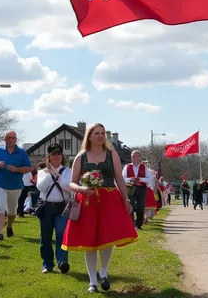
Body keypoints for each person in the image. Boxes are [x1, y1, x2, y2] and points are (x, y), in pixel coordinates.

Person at [62, 123, 138, 293]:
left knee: (107, 237)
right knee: (89, 241)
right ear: (89, 136)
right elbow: (72, 182)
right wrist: (82, 188)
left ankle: (103, 272)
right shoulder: (81, 157)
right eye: (97, 133)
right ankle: (92, 281)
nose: (100, 136)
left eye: (103, 133)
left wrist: (126, 198)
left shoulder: (112, 155)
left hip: (110, 199)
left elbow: (119, 178)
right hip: (87, 201)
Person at [0, 131, 32, 241]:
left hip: (15, 186)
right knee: (0, 207)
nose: (11, 140)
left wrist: (17, 169)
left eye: (13, 138)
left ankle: (9, 225)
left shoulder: (21, 152)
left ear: (16, 139)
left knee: (12, 210)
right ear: (4, 139)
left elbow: (28, 168)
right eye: (9, 138)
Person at [36, 143, 72, 274]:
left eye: (59, 154)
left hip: (62, 207)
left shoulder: (68, 171)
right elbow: (41, 187)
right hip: (46, 207)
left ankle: (62, 262)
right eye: (53, 154)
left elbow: (70, 188)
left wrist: (59, 178)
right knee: (45, 236)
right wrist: (50, 173)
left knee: (62, 235)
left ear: (62, 156)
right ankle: (47, 263)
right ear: (49, 157)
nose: (56, 156)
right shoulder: (42, 172)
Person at [122, 151, 153, 230]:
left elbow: (150, 179)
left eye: (135, 156)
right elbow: (122, 178)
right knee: (130, 205)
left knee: (141, 206)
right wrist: (130, 179)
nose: (134, 158)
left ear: (139, 157)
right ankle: (131, 224)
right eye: (132, 156)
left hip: (141, 188)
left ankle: (139, 224)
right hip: (130, 188)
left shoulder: (144, 167)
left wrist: (141, 179)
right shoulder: (127, 166)